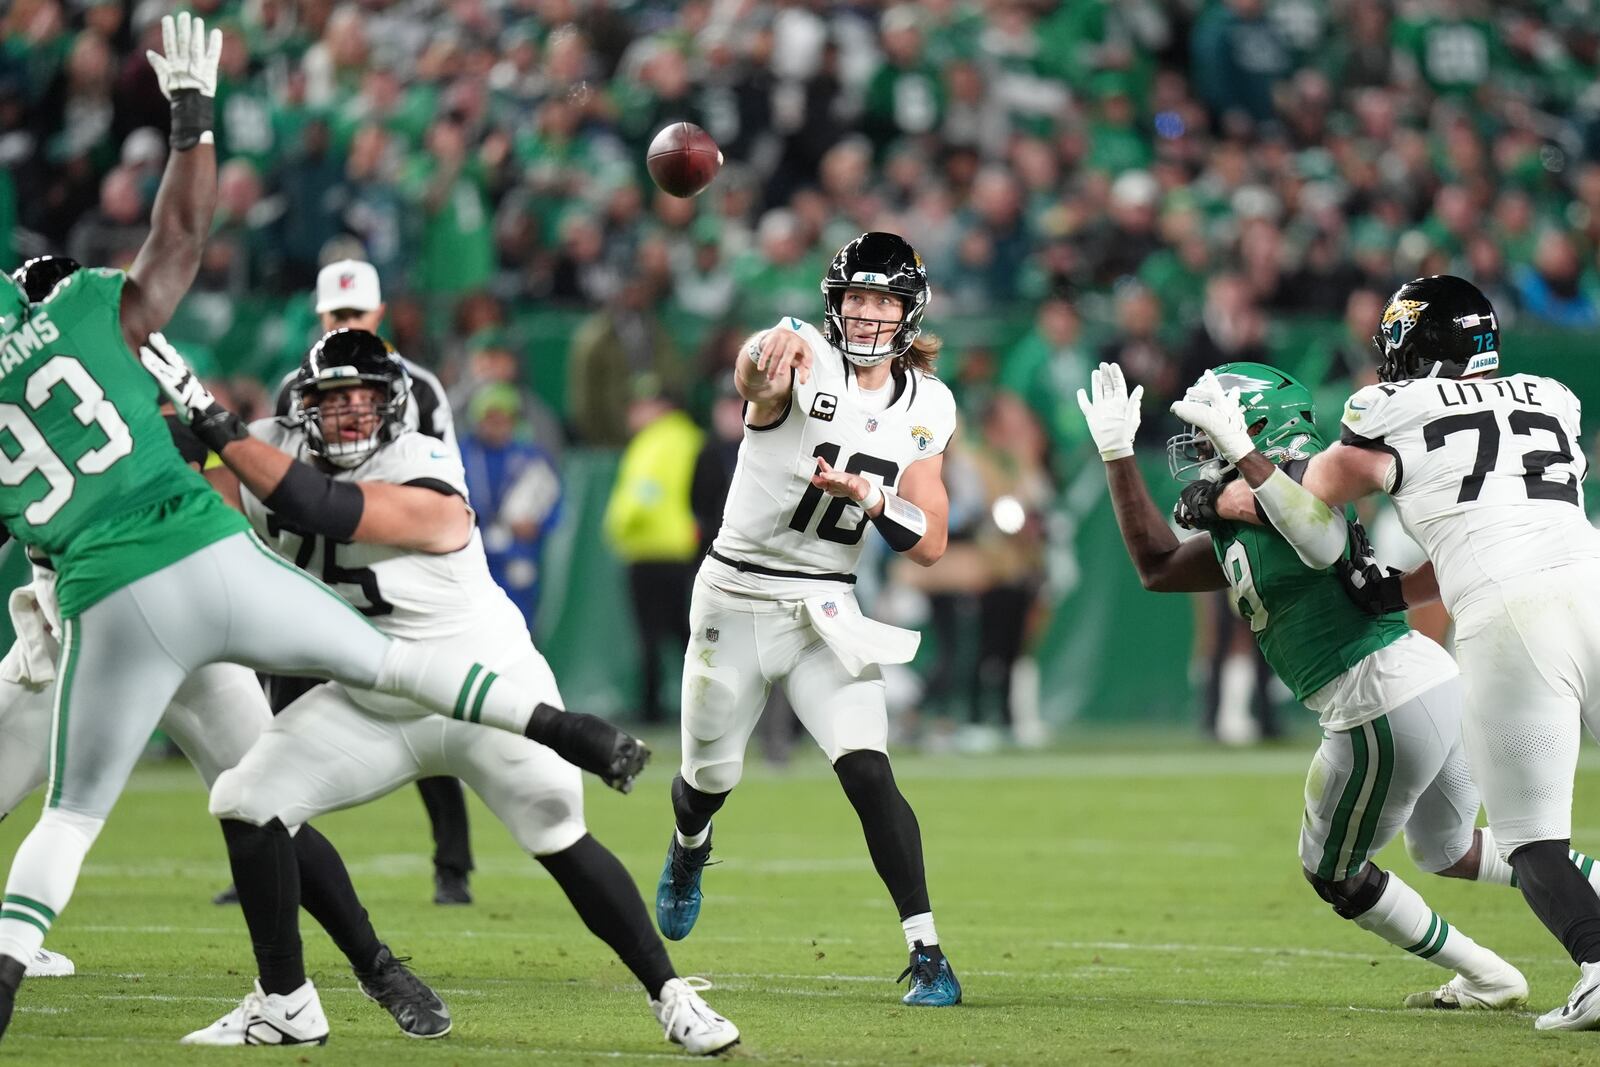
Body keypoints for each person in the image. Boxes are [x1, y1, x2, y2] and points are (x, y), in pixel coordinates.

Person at [0, 14, 645, 1042]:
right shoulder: (97, 325)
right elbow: (177, 246)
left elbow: (271, 491)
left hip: (100, 607)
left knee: (185, 801)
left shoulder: (163, 401)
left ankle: (360, 967)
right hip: (138, 591)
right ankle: (558, 733)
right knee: (368, 683)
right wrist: (193, 124)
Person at [175, 328, 737, 1055]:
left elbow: (325, 508)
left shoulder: (426, 461)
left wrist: (220, 433)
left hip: (487, 688)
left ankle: (671, 994)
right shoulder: (271, 446)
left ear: (393, 406)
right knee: (244, 801)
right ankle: (284, 1001)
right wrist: (182, 423)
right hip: (371, 703)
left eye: (362, 399)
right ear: (302, 407)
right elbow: (194, 492)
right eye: (330, 400)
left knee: (556, 830)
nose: (347, 415)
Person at [0, 257, 453, 1037]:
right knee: (257, 799)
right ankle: (372, 970)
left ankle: (374, 966)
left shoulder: (76, 370)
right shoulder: (106, 359)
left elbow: (186, 460)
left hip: (116, 620)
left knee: (252, 800)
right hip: (88, 629)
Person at [1181, 275, 1600, 1030]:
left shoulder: (1389, 407)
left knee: (1531, 838)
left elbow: (1307, 502)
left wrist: (1223, 484)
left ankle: (1599, 966)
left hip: (1513, 623)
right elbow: (1493, 517)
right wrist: (1400, 591)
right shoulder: (1553, 396)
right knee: (1464, 841)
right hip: (1591, 587)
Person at [1081, 358, 1554, 1010]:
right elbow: (1157, 566)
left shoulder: (1304, 484)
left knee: (1333, 871)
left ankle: (1489, 974)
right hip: (1421, 679)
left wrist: (1233, 475)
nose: (1197, 449)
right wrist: (1116, 454)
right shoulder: (1248, 502)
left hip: (1376, 694)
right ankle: (1552, 922)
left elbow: (1319, 536)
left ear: (1251, 428)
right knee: (1449, 847)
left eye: (1209, 431)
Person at [654, 232, 963, 1007]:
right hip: (736, 591)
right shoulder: (802, 356)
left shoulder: (929, 402)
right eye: (854, 298)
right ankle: (691, 846)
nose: (864, 315)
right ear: (835, 302)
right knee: (707, 778)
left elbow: (931, 542)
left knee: (867, 763)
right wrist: (765, 347)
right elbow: (755, 376)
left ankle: (928, 952)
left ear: (907, 309)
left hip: (826, 599)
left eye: (881, 300)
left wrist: (873, 499)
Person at [262, 256, 474, 906]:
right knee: (281, 716)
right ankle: (274, 855)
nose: (348, 321)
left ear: (379, 314)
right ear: (320, 316)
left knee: (423, 715)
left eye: (357, 313)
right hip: (317, 569)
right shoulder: (295, 388)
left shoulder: (423, 390)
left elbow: (445, 490)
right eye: (337, 314)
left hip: (391, 572)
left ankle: (452, 864)